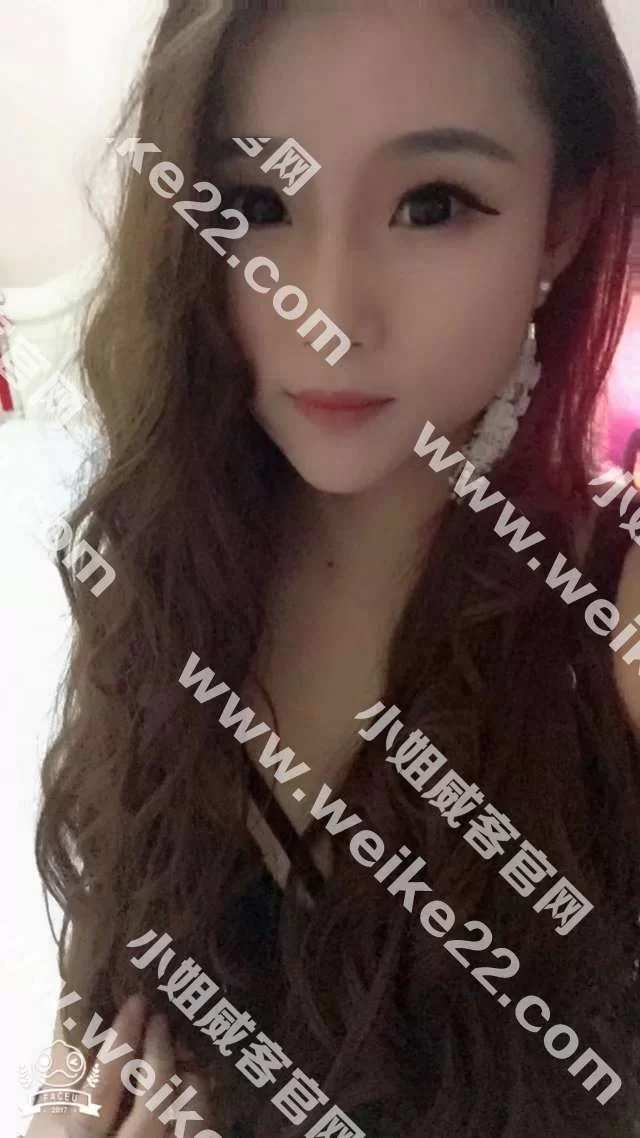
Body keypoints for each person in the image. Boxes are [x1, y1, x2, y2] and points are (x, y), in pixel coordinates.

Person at [28, 1, 640, 1136]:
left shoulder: (606, 620)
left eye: (433, 204)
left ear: (562, 221)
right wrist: (61, 1113)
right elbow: (106, 980)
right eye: (257, 206)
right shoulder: (162, 553)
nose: (328, 313)